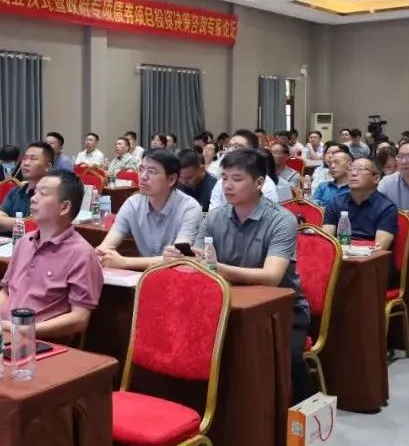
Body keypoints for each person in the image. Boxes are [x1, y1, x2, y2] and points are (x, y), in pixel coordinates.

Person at [165, 148, 310, 401]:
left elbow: (271, 277)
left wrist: (215, 267)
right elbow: (198, 260)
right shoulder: (214, 217)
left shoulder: (281, 220)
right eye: (224, 178)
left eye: (237, 179)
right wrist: (183, 258)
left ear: (259, 183)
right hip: (224, 301)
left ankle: (296, 413)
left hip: (281, 310)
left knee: (288, 361)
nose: (228, 185)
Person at [0, 170, 102, 341]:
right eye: (35, 192)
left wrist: (25, 329)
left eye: (43, 194)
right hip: (4, 335)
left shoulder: (82, 254)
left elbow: (79, 319)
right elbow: (6, 291)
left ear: (64, 207)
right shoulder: (24, 242)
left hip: (40, 343)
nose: (33, 199)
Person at [97, 149, 202, 270]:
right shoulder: (132, 204)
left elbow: (179, 258)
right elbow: (105, 248)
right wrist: (100, 254)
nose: (143, 176)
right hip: (141, 276)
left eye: (152, 171)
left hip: (176, 276)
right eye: (141, 169)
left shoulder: (189, 208)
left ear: (171, 179)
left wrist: (125, 262)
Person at [323, 157, 399, 283]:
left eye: (360, 169)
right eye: (351, 169)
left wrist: (349, 253)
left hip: (372, 267)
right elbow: (326, 239)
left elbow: (379, 249)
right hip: (340, 261)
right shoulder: (336, 202)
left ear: (376, 178)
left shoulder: (387, 207)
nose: (353, 173)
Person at [0, 141, 54, 234]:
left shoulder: (52, 195)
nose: (26, 163)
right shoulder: (15, 191)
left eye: (33, 159)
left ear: (48, 167)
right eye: (24, 158)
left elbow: (36, 227)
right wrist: (23, 223)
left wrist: (5, 223)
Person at [209, 131, 280, 209]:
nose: (230, 151)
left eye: (237, 147)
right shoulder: (222, 181)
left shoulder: (266, 185)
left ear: (253, 151)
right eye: (229, 146)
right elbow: (213, 211)